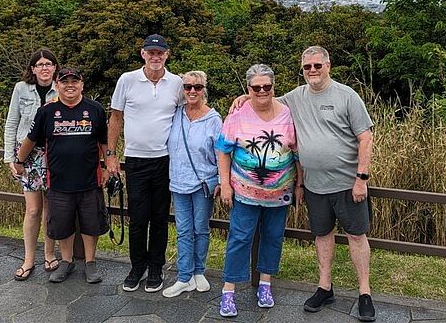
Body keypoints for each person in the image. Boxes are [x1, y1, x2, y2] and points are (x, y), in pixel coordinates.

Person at [230, 46, 376, 321]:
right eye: (307, 67)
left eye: (317, 66)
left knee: (357, 236)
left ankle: (365, 293)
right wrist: (243, 97)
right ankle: (325, 287)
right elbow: (265, 99)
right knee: (322, 235)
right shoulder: (296, 97)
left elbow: (365, 138)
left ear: (328, 66)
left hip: (347, 183)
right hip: (314, 185)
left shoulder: (347, 96)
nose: (312, 71)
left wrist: (362, 178)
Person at [215, 64, 303, 318]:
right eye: (256, 87)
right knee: (239, 238)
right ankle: (228, 289)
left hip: (280, 193)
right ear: (248, 88)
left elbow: (297, 153)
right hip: (244, 192)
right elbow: (223, 150)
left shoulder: (287, 114)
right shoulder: (237, 114)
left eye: (267, 86)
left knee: (273, 237)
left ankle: (265, 284)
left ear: (274, 87)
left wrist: (299, 184)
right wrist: (225, 184)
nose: (262, 91)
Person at [14, 67, 109, 284]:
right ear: (58, 85)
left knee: (91, 223)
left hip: (90, 179)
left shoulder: (95, 109)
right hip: (57, 180)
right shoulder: (47, 111)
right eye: (65, 82)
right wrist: (19, 161)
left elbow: (104, 141)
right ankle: (66, 261)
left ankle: (90, 262)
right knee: (63, 224)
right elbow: (31, 139)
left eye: (75, 81)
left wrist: (107, 165)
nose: (70, 85)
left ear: (82, 85)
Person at [106, 34, 183, 293]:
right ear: (143, 54)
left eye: (160, 53)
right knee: (138, 218)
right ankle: (137, 266)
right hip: (135, 160)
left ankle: (156, 268)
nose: (155, 57)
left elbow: (190, 112)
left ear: (167, 54)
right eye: (151, 52)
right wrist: (110, 154)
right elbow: (115, 118)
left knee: (160, 218)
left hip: (165, 160)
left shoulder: (177, 83)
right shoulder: (127, 80)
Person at [161, 71, 222, 298]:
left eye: (197, 87)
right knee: (184, 231)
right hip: (177, 181)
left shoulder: (213, 119)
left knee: (201, 229)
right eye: (187, 87)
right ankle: (184, 276)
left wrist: (222, 180)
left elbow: (220, 152)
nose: (192, 91)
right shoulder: (175, 114)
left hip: (203, 183)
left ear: (204, 89)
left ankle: (199, 270)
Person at [4, 48, 59, 281]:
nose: (44, 68)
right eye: (40, 64)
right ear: (33, 69)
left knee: (50, 209)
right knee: (33, 209)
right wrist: (10, 157)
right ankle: (28, 259)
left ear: (55, 67)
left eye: (49, 64)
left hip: (54, 153)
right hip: (26, 153)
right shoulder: (21, 88)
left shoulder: (62, 88)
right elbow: (12, 122)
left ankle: (49, 253)